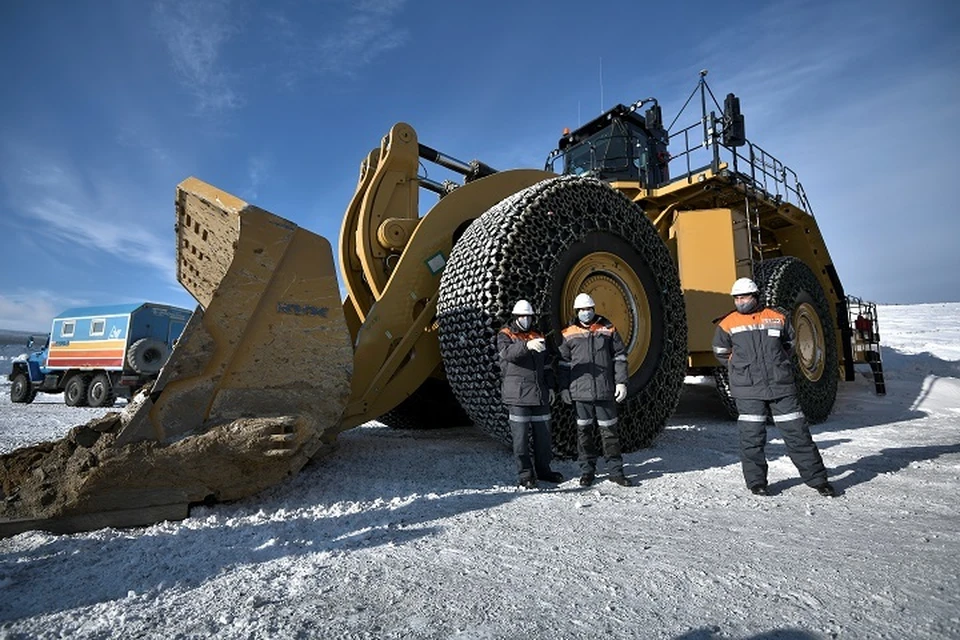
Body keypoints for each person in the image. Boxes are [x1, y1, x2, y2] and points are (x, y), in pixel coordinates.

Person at [712, 277, 836, 497]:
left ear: (756, 296)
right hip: (748, 390)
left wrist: (776, 365)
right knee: (752, 438)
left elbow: (789, 345)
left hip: (781, 388)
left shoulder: (778, 318)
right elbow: (721, 352)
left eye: (744, 297)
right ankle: (757, 483)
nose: (740, 301)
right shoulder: (727, 323)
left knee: (798, 435)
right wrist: (742, 368)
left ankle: (818, 480)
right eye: (737, 298)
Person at [557, 293, 631, 487]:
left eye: (588, 309)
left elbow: (620, 357)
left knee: (609, 433)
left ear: (594, 309)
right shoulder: (568, 333)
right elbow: (563, 364)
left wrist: (621, 382)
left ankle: (616, 472)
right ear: (576, 311)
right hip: (580, 392)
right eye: (582, 310)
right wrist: (564, 388)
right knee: (584, 433)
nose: (585, 313)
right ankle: (587, 472)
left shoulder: (607, 329)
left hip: (604, 390)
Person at [497, 299, 564, 489]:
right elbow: (507, 354)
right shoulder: (505, 335)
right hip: (517, 395)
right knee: (520, 439)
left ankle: (544, 470)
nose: (525, 319)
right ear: (516, 317)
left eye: (528, 316)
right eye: (522, 316)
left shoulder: (537, 335)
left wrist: (550, 387)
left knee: (543, 437)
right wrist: (527, 346)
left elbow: (546, 364)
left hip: (539, 393)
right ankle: (525, 474)